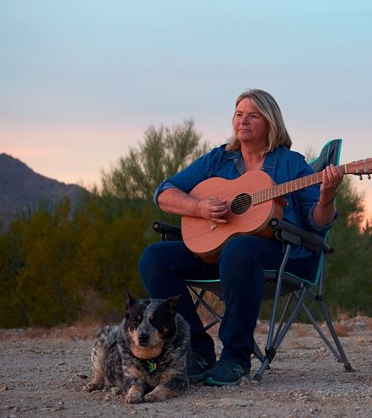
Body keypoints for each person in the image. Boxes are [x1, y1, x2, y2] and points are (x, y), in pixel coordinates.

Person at [139, 89, 344, 386]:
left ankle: (235, 358)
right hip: (221, 254)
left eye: (253, 115)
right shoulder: (218, 159)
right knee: (154, 258)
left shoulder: (291, 164)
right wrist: (199, 207)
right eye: (238, 114)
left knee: (240, 247)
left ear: (270, 122)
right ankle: (196, 349)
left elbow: (317, 224)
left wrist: (327, 196)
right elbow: (164, 193)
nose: (243, 120)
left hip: (286, 256)